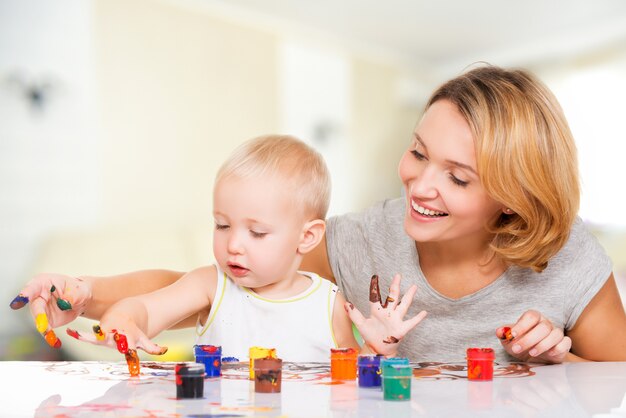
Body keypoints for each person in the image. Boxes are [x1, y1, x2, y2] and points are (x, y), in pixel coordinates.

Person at [12, 65, 626, 363]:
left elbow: (614, 384)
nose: (419, 181)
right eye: (417, 152)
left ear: (514, 196)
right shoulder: (362, 240)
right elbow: (216, 286)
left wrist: (556, 357)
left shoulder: (569, 259)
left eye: (458, 177)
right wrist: (88, 292)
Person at [14, 135, 365, 362]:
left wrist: (380, 352)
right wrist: (124, 319)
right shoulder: (211, 285)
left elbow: (352, 380)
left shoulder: (329, 302)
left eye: (256, 232)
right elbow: (148, 309)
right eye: (222, 225)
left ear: (307, 237)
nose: (234, 244)